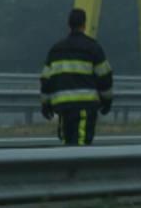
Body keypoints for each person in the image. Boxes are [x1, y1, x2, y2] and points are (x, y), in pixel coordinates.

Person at [40, 8, 114, 146]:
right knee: (81, 147)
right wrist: (107, 101)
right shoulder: (93, 48)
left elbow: (46, 80)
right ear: (84, 24)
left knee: (66, 145)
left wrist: (45, 105)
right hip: (85, 107)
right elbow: (105, 77)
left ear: (69, 24)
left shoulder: (56, 50)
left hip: (63, 108)